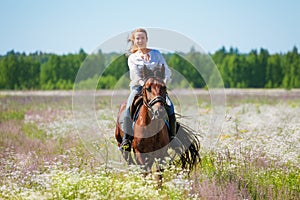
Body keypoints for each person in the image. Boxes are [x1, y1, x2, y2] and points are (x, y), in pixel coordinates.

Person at [120, 28, 177, 151]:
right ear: (134, 41)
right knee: (128, 107)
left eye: (142, 38)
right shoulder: (133, 58)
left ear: (147, 39)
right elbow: (135, 75)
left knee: (170, 106)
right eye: (137, 38)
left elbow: (166, 70)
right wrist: (145, 84)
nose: (140, 40)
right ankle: (126, 139)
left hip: (157, 87)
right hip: (139, 87)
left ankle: (173, 137)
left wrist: (164, 82)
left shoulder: (157, 54)